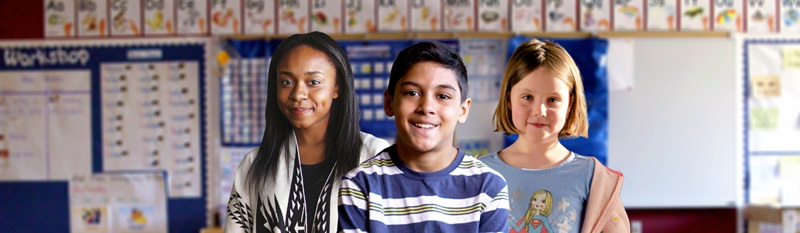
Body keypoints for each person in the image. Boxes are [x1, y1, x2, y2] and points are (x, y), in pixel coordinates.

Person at [224, 31, 390, 233]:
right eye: (286, 82)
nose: (298, 94)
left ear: (336, 87)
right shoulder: (254, 164)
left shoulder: (375, 156)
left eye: (313, 82)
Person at [338, 41, 509, 232]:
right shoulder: (360, 185)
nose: (426, 107)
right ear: (389, 102)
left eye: (443, 96)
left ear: (462, 110)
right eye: (412, 93)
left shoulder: (488, 187)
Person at [478, 38, 629, 233]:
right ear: (509, 99)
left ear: (570, 105)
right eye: (527, 97)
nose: (539, 111)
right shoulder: (479, 172)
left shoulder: (594, 178)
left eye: (552, 99)